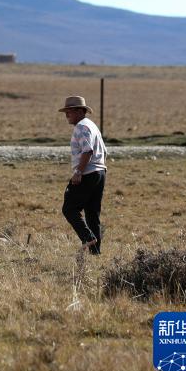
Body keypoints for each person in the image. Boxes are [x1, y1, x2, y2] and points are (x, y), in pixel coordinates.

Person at [59, 95, 107, 254]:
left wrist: (79, 172)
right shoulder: (92, 125)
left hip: (88, 172)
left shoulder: (81, 127)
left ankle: (87, 238)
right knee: (92, 214)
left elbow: (87, 150)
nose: (67, 115)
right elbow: (103, 151)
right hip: (100, 172)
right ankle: (96, 252)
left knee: (69, 208)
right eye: (66, 112)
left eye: (69, 111)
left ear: (80, 111)